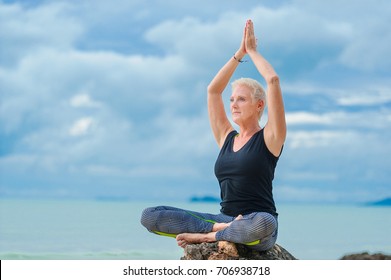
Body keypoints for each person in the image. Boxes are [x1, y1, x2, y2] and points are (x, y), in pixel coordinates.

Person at [140, 19, 286, 252]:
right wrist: (239, 54)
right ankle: (216, 230)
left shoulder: (270, 137)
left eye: (241, 98)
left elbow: (273, 80)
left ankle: (206, 237)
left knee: (265, 222)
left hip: (255, 224)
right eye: (232, 99)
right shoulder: (226, 137)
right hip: (224, 219)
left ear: (260, 105)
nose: (234, 104)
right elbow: (213, 90)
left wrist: (253, 52)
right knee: (150, 216)